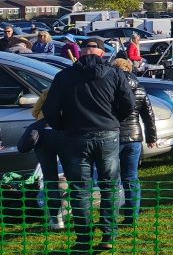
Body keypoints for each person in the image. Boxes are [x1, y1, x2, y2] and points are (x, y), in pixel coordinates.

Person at [41, 37, 135, 252]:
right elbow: (128, 104)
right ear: (101, 53)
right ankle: (108, 235)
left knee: (80, 190)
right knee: (108, 187)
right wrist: (113, 121)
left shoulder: (64, 76)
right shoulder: (114, 74)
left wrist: (62, 126)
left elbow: (50, 109)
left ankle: (84, 239)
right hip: (106, 136)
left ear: (82, 52)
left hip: (76, 137)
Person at [111, 58, 156, 226]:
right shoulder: (140, 88)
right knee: (131, 177)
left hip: (115, 136)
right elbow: (148, 115)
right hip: (134, 136)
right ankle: (132, 216)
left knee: (113, 178)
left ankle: (111, 216)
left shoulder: (111, 88)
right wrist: (151, 137)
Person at [30, 89, 66, 230]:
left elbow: (34, 113)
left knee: (50, 179)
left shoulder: (46, 92)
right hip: (65, 136)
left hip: (44, 137)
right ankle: (78, 214)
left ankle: (56, 220)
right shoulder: (71, 91)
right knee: (74, 177)